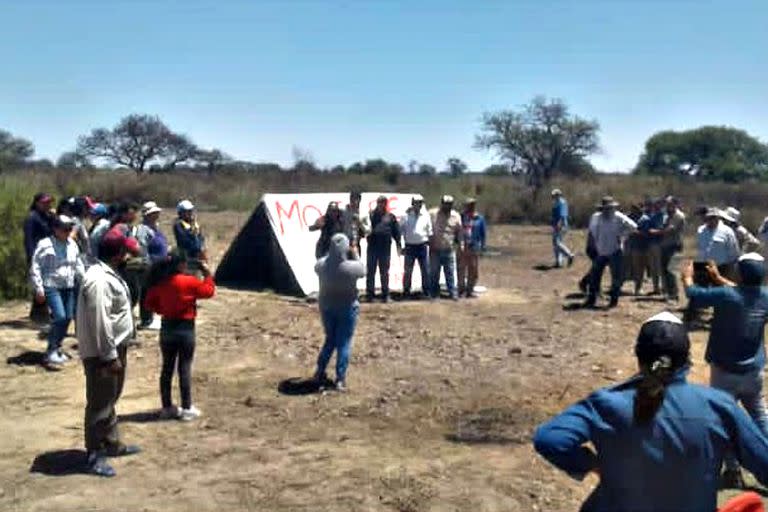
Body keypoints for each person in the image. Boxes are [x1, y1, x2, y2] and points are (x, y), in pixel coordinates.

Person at [534, 311, 768, 512]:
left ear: (639, 357)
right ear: (686, 359)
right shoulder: (719, 406)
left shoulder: (606, 403)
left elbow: (549, 439)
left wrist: (592, 464)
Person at [683, 254, 768, 488]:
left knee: (724, 420)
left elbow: (694, 295)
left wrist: (687, 277)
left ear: (739, 274)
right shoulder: (764, 296)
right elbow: (745, 293)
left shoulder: (725, 296)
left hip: (725, 372)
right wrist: (719, 278)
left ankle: (732, 471)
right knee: (760, 417)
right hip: (753, 372)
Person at [76, 232, 141, 477]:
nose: (128, 255)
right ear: (117, 254)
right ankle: (95, 454)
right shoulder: (99, 280)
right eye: (125, 251)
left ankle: (112, 443)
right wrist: (109, 355)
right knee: (99, 403)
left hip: (112, 347)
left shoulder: (106, 273)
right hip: (103, 352)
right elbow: (100, 320)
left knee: (109, 397)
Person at [144, 252, 215, 421]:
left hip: (167, 327)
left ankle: (167, 407)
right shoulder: (188, 281)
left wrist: (163, 310)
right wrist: (207, 274)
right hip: (185, 328)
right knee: (184, 367)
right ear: (182, 264)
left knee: (167, 368)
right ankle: (186, 407)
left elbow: (149, 303)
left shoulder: (161, 282)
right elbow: (209, 291)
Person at [313, 233, 366, 392]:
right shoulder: (351, 268)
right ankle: (340, 379)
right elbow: (363, 270)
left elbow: (321, 262)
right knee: (344, 343)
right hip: (347, 307)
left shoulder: (321, 265)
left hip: (327, 307)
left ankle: (320, 371)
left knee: (330, 340)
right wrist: (355, 252)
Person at [30, 215, 85, 366]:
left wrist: (85, 280)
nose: (68, 231)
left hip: (68, 286)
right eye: (65, 228)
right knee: (60, 317)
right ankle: (50, 351)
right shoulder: (45, 244)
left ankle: (56, 347)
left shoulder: (72, 244)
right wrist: (39, 288)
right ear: (55, 229)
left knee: (67, 318)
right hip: (51, 285)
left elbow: (78, 264)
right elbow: (35, 266)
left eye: (70, 228)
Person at [586, 196, 637, 308]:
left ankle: (613, 300)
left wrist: (622, 235)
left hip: (615, 251)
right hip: (600, 251)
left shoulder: (618, 217)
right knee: (594, 276)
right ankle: (591, 299)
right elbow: (591, 232)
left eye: (610, 208)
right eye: (605, 208)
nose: (608, 210)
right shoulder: (595, 217)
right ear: (602, 208)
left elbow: (633, 226)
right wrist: (591, 244)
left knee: (616, 278)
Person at [135, 201, 169, 329]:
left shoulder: (155, 227)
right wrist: (149, 263)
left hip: (160, 266)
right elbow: (141, 249)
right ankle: (146, 319)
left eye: (156, 212)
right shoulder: (143, 229)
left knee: (155, 291)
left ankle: (152, 317)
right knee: (147, 292)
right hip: (150, 266)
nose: (156, 215)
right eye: (153, 213)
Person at [362, 195, 402, 302]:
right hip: (372, 247)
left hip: (385, 248)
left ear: (386, 203)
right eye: (380, 202)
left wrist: (399, 244)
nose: (382, 204)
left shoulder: (390, 217)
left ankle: (385, 295)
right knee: (370, 272)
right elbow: (364, 228)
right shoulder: (370, 215)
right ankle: (370, 295)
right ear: (377, 203)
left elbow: (396, 232)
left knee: (384, 272)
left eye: (384, 202)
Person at [24, 192, 55, 322]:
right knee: (41, 284)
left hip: (47, 256)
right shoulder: (32, 218)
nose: (48, 205)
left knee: (45, 284)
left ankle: (38, 313)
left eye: (49, 202)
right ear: (37, 203)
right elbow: (29, 240)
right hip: (37, 256)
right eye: (45, 202)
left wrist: (54, 217)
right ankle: (39, 315)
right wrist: (32, 259)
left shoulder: (47, 217)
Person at [429, 195, 462, 300]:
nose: (447, 206)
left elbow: (459, 232)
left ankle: (452, 293)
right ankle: (434, 293)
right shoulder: (432, 214)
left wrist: (460, 244)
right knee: (434, 273)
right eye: (445, 204)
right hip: (435, 249)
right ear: (441, 203)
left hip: (449, 249)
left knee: (450, 272)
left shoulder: (456, 216)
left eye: (449, 204)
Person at [400, 194, 432, 298]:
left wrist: (429, 242)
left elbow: (429, 231)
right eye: (416, 203)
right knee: (408, 270)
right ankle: (406, 291)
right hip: (410, 246)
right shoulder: (406, 216)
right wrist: (402, 245)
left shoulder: (426, 216)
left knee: (425, 269)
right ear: (412, 204)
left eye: (420, 203)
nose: (418, 205)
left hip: (422, 246)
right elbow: (401, 231)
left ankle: (426, 291)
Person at [458, 198, 486, 298]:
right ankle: (460, 289)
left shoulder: (479, 218)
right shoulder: (460, 217)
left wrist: (482, 247)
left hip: (474, 246)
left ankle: (470, 290)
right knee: (461, 268)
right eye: (468, 205)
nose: (470, 207)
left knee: (473, 269)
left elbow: (483, 234)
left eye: (472, 205)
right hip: (462, 246)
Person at [659, 197, 686, 302]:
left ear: (675, 204)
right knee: (665, 270)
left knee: (672, 270)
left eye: (669, 204)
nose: (667, 206)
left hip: (674, 245)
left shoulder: (678, 215)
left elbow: (670, 229)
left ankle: (674, 294)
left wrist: (657, 231)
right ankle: (669, 292)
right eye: (667, 204)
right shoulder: (667, 215)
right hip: (665, 245)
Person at [173, 200, 206, 269]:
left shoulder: (194, 224)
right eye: (186, 211)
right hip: (187, 258)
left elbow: (201, 238)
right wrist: (192, 233)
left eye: (190, 210)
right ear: (180, 213)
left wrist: (202, 249)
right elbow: (185, 241)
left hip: (198, 257)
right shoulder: (178, 225)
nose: (189, 213)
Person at [550, 189, 574, 268]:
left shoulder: (561, 203)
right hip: (558, 225)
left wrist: (558, 225)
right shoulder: (558, 202)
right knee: (558, 243)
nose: (553, 196)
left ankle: (569, 255)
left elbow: (562, 215)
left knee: (556, 243)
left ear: (559, 195)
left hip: (560, 225)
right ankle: (559, 262)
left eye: (555, 195)